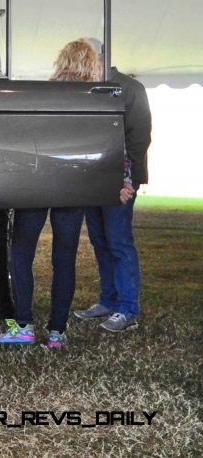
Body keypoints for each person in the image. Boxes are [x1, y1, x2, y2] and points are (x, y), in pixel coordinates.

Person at [0, 39, 121, 349]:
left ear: (61, 60)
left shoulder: (42, 92)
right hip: (73, 185)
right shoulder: (98, 98)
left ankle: (23, 325)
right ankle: (57, 333)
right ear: (91, 64)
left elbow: (25, 138)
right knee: (64, 259)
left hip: (37, 183)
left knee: (22, 253)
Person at [74, 38, 152, 332]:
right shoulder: (85, 88)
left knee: (119, 242)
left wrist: (128, 179)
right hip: (93, 178)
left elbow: (139, 138)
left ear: (99, 56)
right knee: (100, 240)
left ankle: (128, 309)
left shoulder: (131, 88)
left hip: (120, 180)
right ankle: (108, 300)